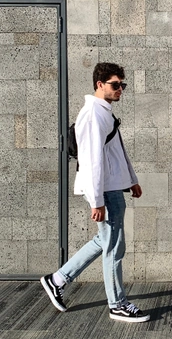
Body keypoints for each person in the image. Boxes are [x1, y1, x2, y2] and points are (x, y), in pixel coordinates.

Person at [41, 62, 150, 323]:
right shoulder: (92, 114)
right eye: (115, 84)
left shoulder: (104, 112)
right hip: (105, 192)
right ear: (99, 84)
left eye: (122, 84)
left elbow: (116, 152)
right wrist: (96, 201)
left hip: (113, 188)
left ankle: (57, 280)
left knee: (104, 241)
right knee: (114, 247)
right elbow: (91, 162)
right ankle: (117, 304)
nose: (120, 89)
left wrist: (131, 180)